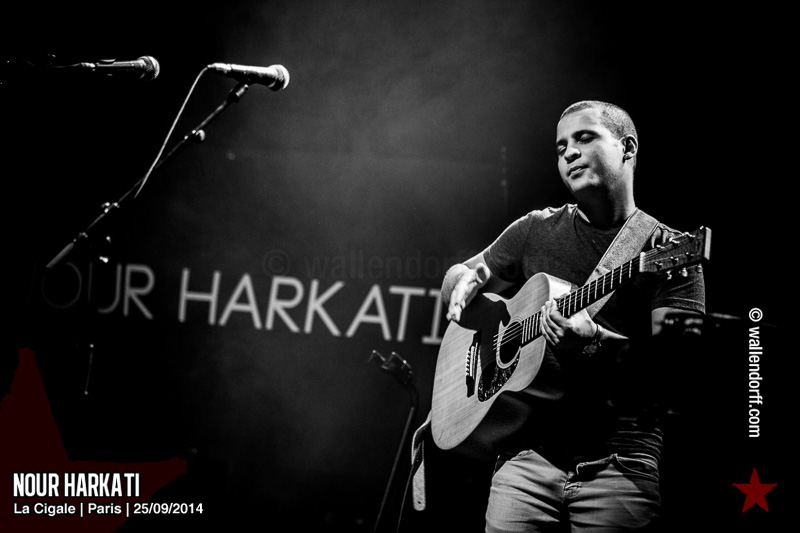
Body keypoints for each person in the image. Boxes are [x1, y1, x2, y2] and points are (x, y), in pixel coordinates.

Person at [441, 100, 705, 531]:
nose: (569, 152)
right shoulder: (535, 229)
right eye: (561, 146)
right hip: (525, 460)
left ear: (627, 147)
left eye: (584, 138)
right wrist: (460, 281)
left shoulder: (669, 251)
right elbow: (463, 276)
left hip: (621, 464)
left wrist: (597, 340)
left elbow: (676, 373)